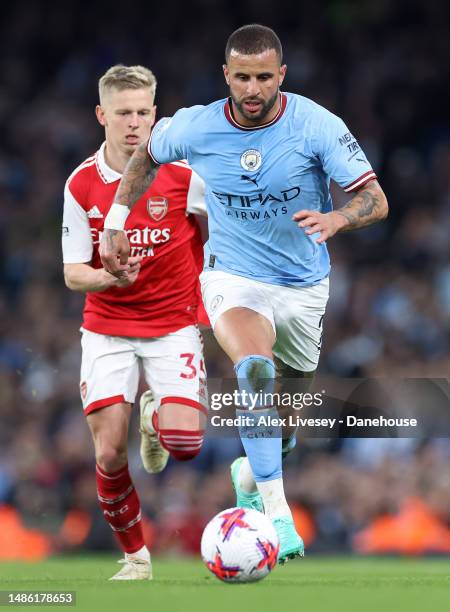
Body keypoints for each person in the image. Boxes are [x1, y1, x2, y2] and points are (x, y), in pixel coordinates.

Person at [99, 25, 388, 564]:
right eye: (242, 78)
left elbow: (375, 198)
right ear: (225, 76)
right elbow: (144, 159)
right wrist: (117, 219)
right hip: (233, 276)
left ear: (280, 75)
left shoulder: (316, 125)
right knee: (254, 369)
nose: (252, 89)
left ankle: (248, 472)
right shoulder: (197, 125)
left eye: (262, 77)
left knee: (285, 423)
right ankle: (279, 516)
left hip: (303, 286)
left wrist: (336, 217)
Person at [62, 64, 208, 580]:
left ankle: (155, 417)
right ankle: (137, 558)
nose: (135, 123)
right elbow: (73, 272)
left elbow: (217, 237)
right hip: (107, 328)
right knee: (107, 451)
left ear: (155, 112)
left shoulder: (185, 174)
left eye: (144, 112)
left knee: (186, 446)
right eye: (123, 113)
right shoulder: (81, 183)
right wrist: (108, 279)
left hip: (172, 325)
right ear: (102, 115)